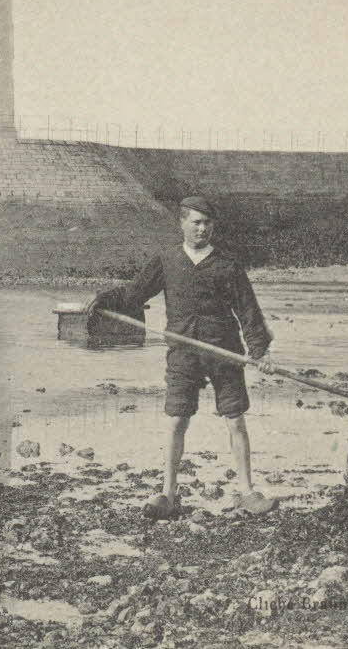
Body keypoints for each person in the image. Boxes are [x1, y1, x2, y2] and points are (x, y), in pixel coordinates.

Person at [88, 196, 279, 520]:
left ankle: (246, 493)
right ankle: (168, 494)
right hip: (182, 352)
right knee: (177, 420)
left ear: (213, 226)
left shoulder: (228, 265)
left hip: (224, 351)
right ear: (182, 224)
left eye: (207, 223)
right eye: (196, 222)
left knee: (235, 420)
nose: (202, 228)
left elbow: (249, 312)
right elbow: (135, 294)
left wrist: (259, 352)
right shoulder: (166, 260)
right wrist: (102, 299)